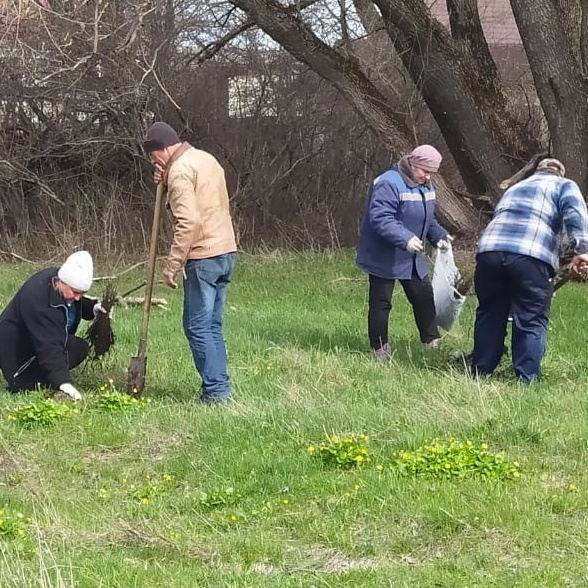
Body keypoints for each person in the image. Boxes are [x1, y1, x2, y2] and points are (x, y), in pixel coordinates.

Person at [143, 122, 237, 403]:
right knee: (212, 326)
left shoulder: (181, 172)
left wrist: (173, 264)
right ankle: (220, 387)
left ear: (162, 149)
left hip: (203, 256)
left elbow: (189, 223)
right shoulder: (204, 158)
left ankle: (216, 393)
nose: (153, 162)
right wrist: (166, 176)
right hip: (226, 251)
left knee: (197, 327)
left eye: (153, 156)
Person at [471, 158, 588, 383]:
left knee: (490, 311)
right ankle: (526, 378)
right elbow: (575, 213)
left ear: (537, 171)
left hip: (489, 253)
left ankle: (480, 370)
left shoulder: (516, 188)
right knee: (531, 317)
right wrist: (581, 249)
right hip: (530, 256)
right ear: (559, 174)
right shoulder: (564, 186)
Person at [356, 144, 452, 359]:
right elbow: (381, 218)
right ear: (413, 164)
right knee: (381, 303)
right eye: (425, 171)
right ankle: (380, 350)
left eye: (431, 173)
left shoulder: (426, 185)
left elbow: (429, 220)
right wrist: (405, 238)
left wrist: (440, 237)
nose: (427, 177)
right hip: (385, 254)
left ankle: (431, 343)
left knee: (424, 297)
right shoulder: (388, 182)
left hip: (412, 255)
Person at [0, 251, 104, 400]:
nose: (78, 297)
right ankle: (27, 382)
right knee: (70, 349)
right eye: (75, 292)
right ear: (62, 282)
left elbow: (73, 303)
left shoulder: (57, 280)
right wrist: (63, 382)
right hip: (18, 358)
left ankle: (47, 374)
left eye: (82, 293)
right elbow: (49, 346)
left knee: (79, 347)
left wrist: (93, 308)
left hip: (32, 343)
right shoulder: (39, 300)